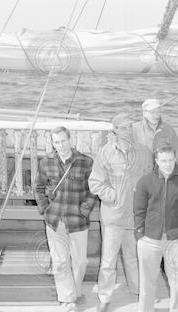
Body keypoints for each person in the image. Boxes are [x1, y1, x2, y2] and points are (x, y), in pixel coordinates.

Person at [89, 113, 152, 312]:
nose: (128, 130)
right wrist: (114, 196)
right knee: (108, 261)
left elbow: (150, 180)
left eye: (130, 126)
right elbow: (95, 183)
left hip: (134, 216)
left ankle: (138, 291)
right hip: (113, 217)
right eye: (124, 127)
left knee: (133, 257)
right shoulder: (105, 152)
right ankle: (105, 297)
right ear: (115, 129)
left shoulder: (143, 151)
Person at [34, 126, 98, 312]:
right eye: (56, 142)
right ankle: (67, 298)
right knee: (60, 261)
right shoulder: (46, 163)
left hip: (78, 221)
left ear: (70, 139)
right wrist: (45, 209)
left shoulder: (86, 162)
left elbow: (93, 190)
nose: (60, 145)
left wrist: (84, 211)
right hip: (54, 221)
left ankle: (76, 292)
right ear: (52, 143)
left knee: (80, 262)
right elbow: (38, 188)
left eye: (63, 141)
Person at [134, 143, 178, 312]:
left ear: (175, 159)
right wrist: (141, 235)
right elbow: (139, 210)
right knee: (147, 283)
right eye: (163, 160)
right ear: (156, 161)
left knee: (177, 283)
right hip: (149, 240)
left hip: (176, 240)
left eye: (170, 160)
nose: (167, 164)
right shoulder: (145, 182)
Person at [133, 98, 178, 164]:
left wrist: (169, 164)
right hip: (142, 168)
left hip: (163, 169)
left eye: (158, 112)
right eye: (152, 112)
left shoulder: (168, 129)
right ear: (144, 113)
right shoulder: (134, 128)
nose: (156, 116)